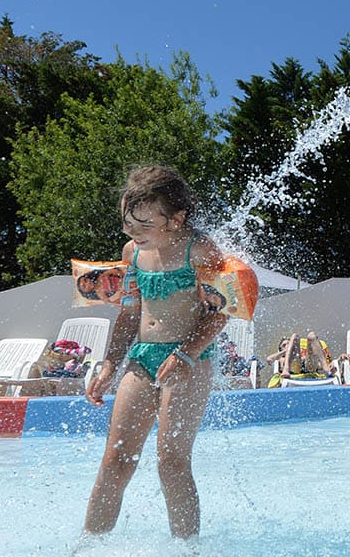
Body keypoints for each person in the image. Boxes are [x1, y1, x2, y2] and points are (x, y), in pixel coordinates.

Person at [83, 165, 229, 540]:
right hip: (143, 357)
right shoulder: (132, 251)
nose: (133, 233)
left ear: (176, 218)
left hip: (188, 360)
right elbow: (130, 313)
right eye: (127, 224)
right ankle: (89, 545)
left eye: (144, 224)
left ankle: (187, 549)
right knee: (116, 460)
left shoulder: (200, 250)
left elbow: (220, 313)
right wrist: (109, 364)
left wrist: (186, 354)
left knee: (171, 463)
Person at [265, 331, 336, 387]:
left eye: (288, 344)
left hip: (309, 368)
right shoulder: (280, 357)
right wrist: (285, 351)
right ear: (280, 349)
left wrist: (330, 365)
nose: (287, 346)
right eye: (284, 345)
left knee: (312, 335)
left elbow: (317, 363)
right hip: (293, 370)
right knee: (295, 336)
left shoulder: (300, 353)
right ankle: (286, 369)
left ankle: (326, 368)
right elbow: (269, 359)